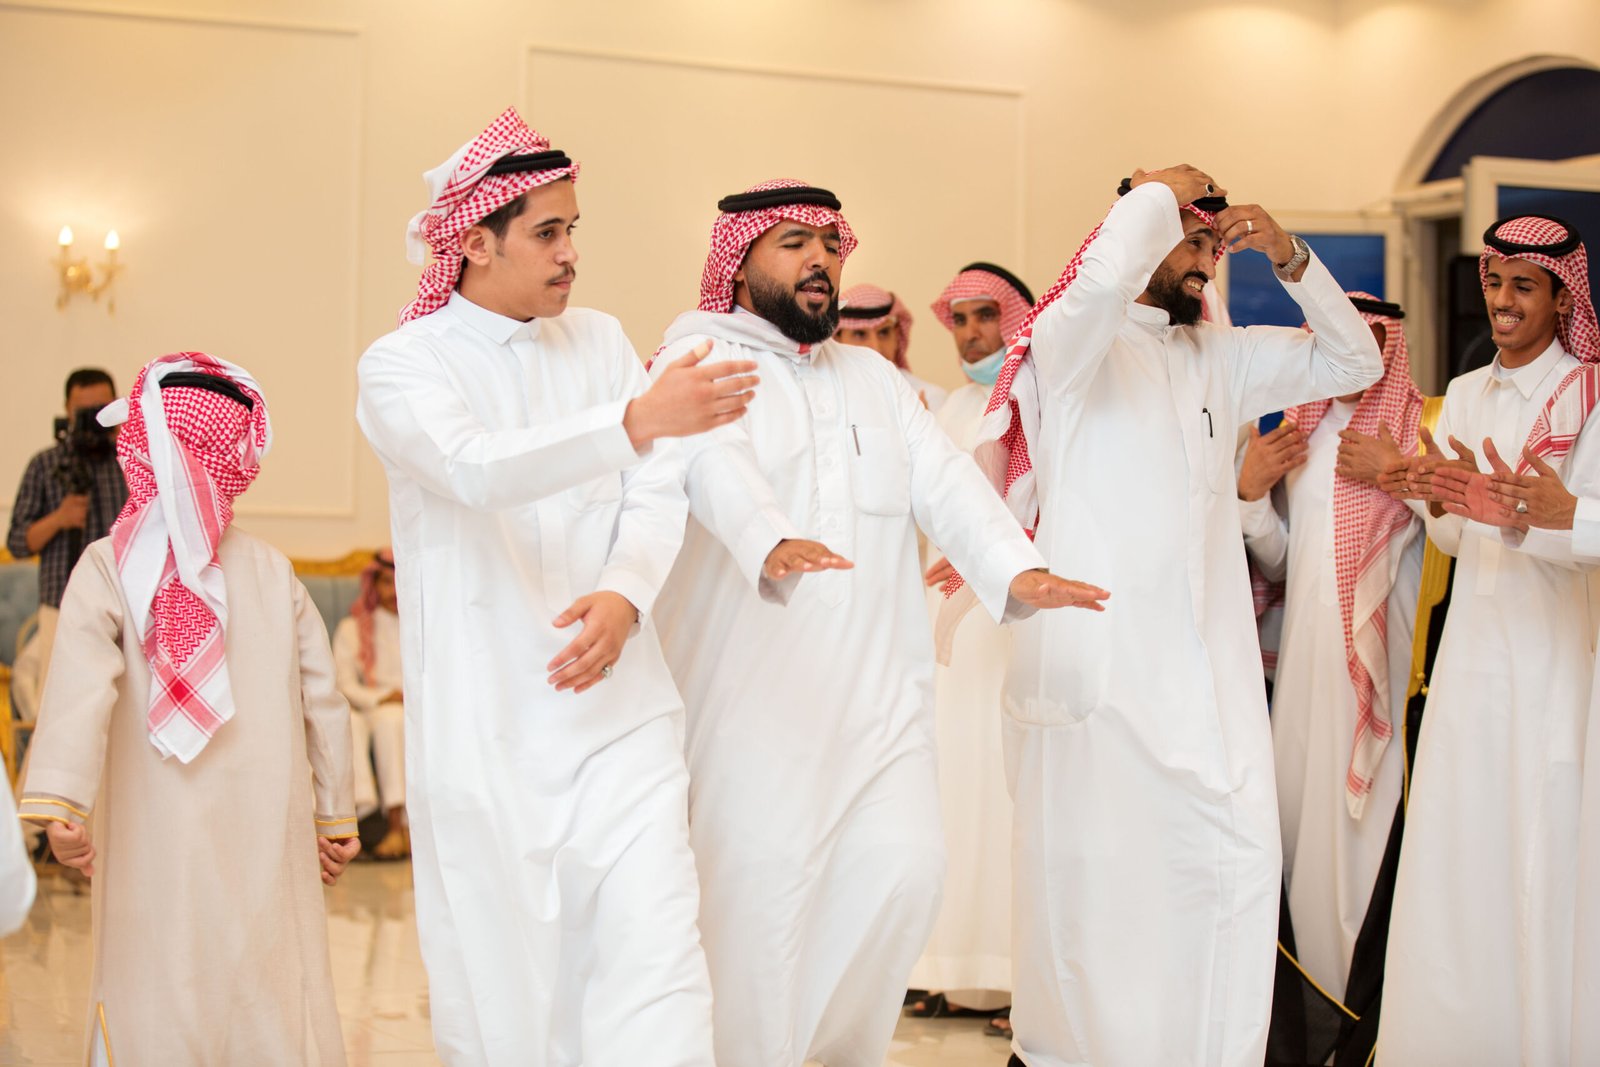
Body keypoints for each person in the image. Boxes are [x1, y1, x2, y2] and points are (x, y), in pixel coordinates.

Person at [650, 178, 1109, 1067]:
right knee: (761, 916)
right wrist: (767, 535)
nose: (820, 259)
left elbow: (947, 479)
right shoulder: (698, 355)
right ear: (739, 263)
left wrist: (1016, 565)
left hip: (880, 704)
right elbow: (711, 462)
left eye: (830, 242)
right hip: (756, 712)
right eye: (794, 242)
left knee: (904, 874)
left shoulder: (871, 379)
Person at [356, 108, 750, 1066]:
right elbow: (475, 466)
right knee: (512, 987)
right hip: (491, 722)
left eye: (574, 228)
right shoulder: (402, 365)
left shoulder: (601, 340)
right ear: (475, 243)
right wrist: (633, 421)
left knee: (658, 953)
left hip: (622, 709)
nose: (571, 252)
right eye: (547, 232)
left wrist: (625, 593)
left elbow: (654, 486)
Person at [973, 166, 1382, 1066]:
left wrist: (1289, 255)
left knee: (1231, 876)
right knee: (1100, 908)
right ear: (1141, 236)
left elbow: (1357, 362)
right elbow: (1097, 290)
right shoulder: (1073, 350)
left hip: (1210, 696)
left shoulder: (1219, 357)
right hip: (1106, 685)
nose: (1203, 262)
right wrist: (1153, 195)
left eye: (1210, 245)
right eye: (1188, 242)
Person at [17, 351, 359, 1064]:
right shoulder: (273, 570)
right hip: (263, 822)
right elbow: (323, 701)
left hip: (153, 821)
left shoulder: (108, 565)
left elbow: (78, 689)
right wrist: (334, 816)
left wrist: (62, 807)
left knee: (158, 968)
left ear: (143, 450)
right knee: (261, 973)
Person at [1374, 214, 1600, 1065]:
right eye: (1496, 283)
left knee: (1536, 849)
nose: (1504, 301)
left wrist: (1537, 514)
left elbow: (1583, 536)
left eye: (1525, 286)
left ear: (1562, 298)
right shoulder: (1464, 393)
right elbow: (1454, 541)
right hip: (1469, 662)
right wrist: (1441, 497)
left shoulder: (1589, 396)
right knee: (1459, 849)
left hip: (1550, 662)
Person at [1236, 295, 1424, 1005]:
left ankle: (1367, 1009)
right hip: (1306, 668)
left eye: (1371, 338)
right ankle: (1308, 1009)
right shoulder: (1301, 433)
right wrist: (1251, 492)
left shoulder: (1420, 428)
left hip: (1383, 666)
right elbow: (1284, 563)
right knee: (1299, 822)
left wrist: (1397, 472)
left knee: (1368, 830)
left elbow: (1453, 537)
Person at [905, 260, 1037, 1035]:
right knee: (949, 783)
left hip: (1008, 619)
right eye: (959, 319)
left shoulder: (1030, 398)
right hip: (946, 618)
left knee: (998, 786)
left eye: (987, 315)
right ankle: (945, 968)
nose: (971, 333)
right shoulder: (950, 406)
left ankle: (1009, 976)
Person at [5, 368, 128, 710]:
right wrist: (59, 518)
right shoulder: (46, 465)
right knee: (56, 705)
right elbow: (17, 542)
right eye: (83, 412)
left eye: (100, 410)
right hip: (60, 606)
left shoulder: (131, 462)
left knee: (121, 706)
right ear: (67, 411)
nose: (91, 421)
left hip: (124, 606)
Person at [332, 548, 408, 859]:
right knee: (352, 722)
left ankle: (398, 826)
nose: (393, 591)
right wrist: (381, 697)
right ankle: (367, 820)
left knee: (393, 719)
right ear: (373, 585)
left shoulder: (420, 626)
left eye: (399, 582)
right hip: (367, 707)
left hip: (412, 712)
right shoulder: (351, 628)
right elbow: (343, 684)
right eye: (386, 582)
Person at [836, 283, 945, 409]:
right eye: (860, 334)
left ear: (897, 335)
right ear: (837, 340)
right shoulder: (824, 397)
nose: (876, 347)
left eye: (884, 332)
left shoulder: (931, 398)